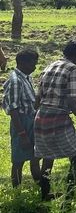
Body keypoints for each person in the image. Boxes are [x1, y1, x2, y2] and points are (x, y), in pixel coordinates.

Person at [34, 39, 76, 202]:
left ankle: (45, 196)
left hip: (41, 116)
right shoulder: (73, 69)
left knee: (47, 158)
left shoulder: (50, 66)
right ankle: (68, 200)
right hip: (58, 117)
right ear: (75, 55)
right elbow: (71, 100)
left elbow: (38, 97)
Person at [2, 48, 41, 187]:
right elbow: (13, 110)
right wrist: (22, 134)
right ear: (23, 63)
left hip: (31, 120)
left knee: (35, 156)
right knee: (18, 160)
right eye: (32, 64)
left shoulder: (27, 77)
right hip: (22, 122)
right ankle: (16, 191)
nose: (35, 67)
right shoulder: (15, 80)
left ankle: (41, 185)